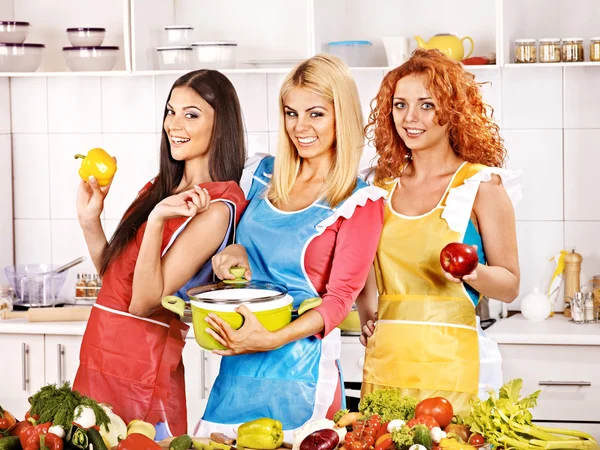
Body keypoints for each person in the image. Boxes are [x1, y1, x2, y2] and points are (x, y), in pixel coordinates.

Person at [195, 54, 386, 440]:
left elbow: (338, 301)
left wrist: (269, 339)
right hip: (237, 369)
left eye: (315, 114)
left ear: (341, 116)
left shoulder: (358, 201)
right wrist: (235, 254)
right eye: (290, 112)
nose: (300, 127)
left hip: (302, 373)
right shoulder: (260, 175)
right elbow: (230, 244)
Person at [72, 69, 248, 437]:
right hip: (100, 353)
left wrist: (155, 221)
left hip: (144, 369)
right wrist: (90, 222)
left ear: (222, 125)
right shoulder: (160, 187)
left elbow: (142, 302)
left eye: (191, 113)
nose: (174, 124)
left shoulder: (217, 206)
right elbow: (118, 279)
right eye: (171, 111)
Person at [357, 48, 522, 416]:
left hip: (454, 367)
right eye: (400, 105)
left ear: (453, 111)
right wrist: (369, 317)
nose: (410, 118)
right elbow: (365, 267)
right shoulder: (379, 188)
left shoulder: (481, 186)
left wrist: (473, 273)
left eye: (426, 105)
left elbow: (510, 285)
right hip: (387, 363)